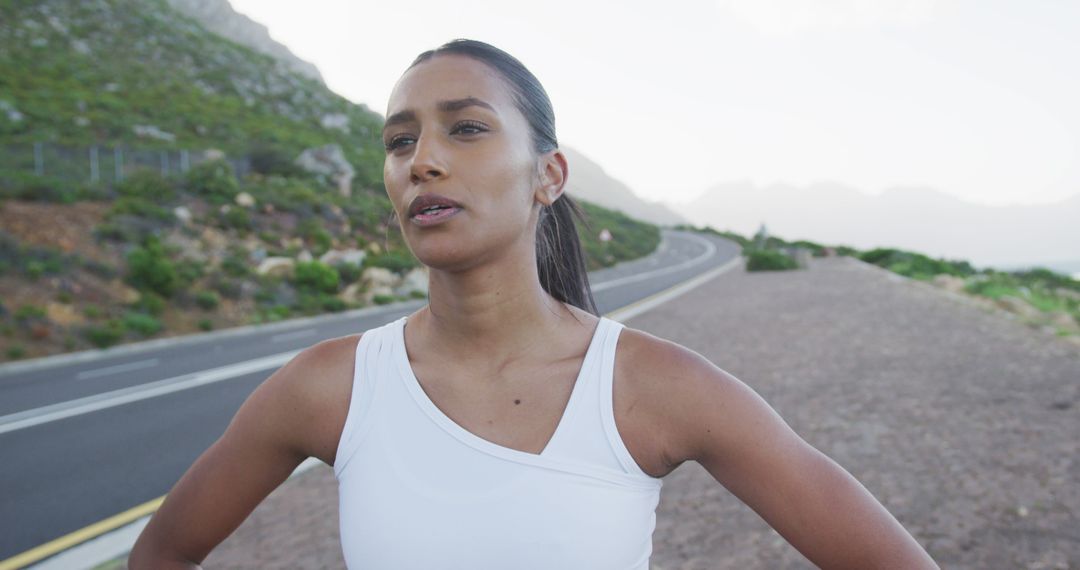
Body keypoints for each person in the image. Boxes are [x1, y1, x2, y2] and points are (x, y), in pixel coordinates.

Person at [130, 39, 938, 569]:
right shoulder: (329, 386)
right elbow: (160, 553)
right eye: (400, 140)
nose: (424, 162)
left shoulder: (652, 387)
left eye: (467, 129)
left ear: (547, 175)